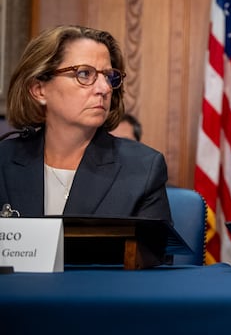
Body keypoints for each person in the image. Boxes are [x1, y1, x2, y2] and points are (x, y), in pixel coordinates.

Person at [0, 25, 172, 222]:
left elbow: (147, 253)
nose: (104, 88)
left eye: (108, 76)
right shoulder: (4, 160)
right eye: (84, 74)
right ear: (39, 90)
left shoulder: (142, 169)